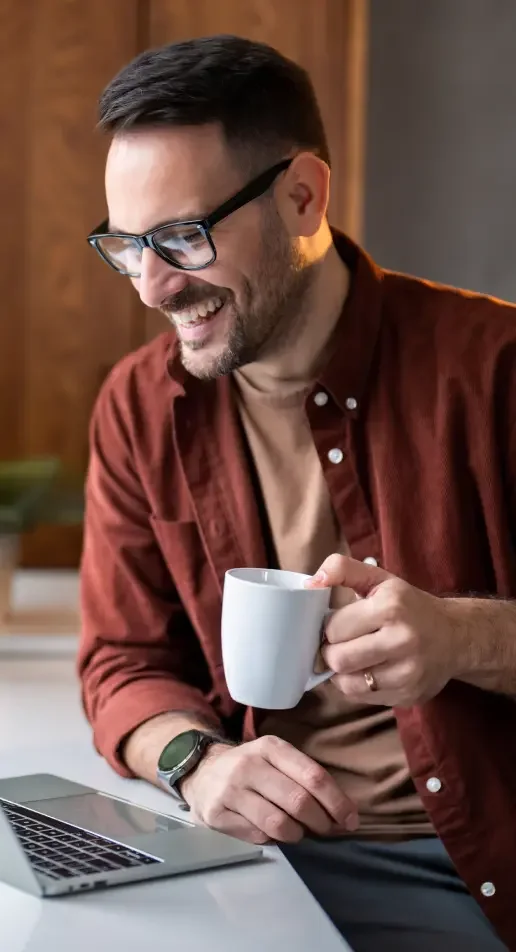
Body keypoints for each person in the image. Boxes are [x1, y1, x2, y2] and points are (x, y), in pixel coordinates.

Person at [79, 35, 516, 952]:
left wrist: (462, 638)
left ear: (303, 196)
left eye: (183, 238)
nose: (154, 287)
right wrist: (198, 764)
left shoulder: (497, 369)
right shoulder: (136, 407)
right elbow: (122, 661)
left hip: (480, 865)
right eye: (127, 247)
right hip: (256, 863)